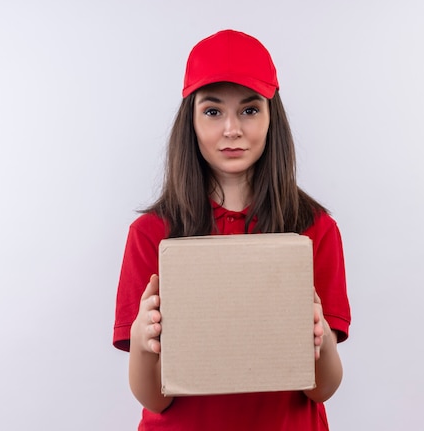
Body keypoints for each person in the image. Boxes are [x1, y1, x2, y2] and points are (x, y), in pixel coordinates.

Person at [113, 29, 351, 430]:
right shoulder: (151, 234)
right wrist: (142, 338)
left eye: (249, 110)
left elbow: (322, 388)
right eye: (212, 111)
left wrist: (320, 335)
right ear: (190, 121)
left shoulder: (314, 229)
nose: (231, 129)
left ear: (272, 117)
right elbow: (155, 397)